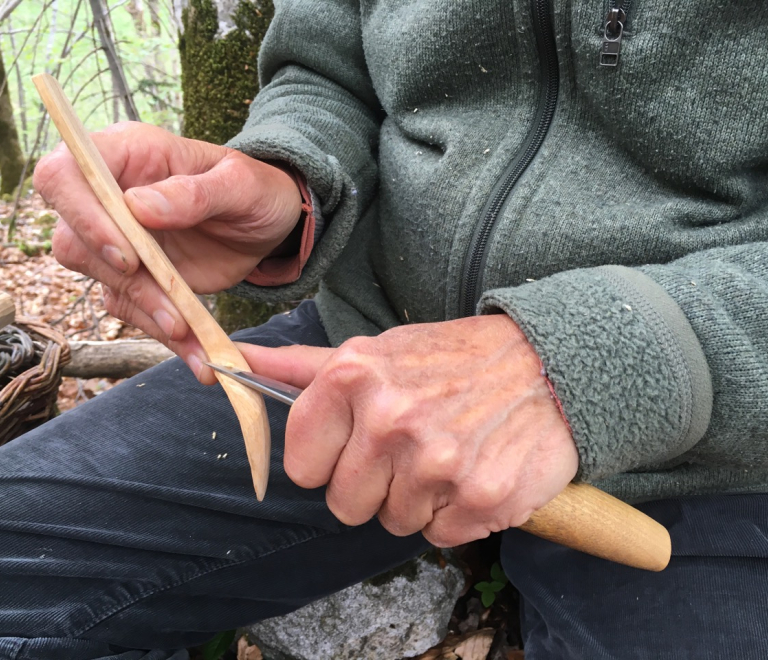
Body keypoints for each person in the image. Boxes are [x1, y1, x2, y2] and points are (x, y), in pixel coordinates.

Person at [2, 1, 768, 658]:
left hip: (722, 438)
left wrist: (601, 357)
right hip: (367, 347)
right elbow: (326, 66)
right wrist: (290, 184)